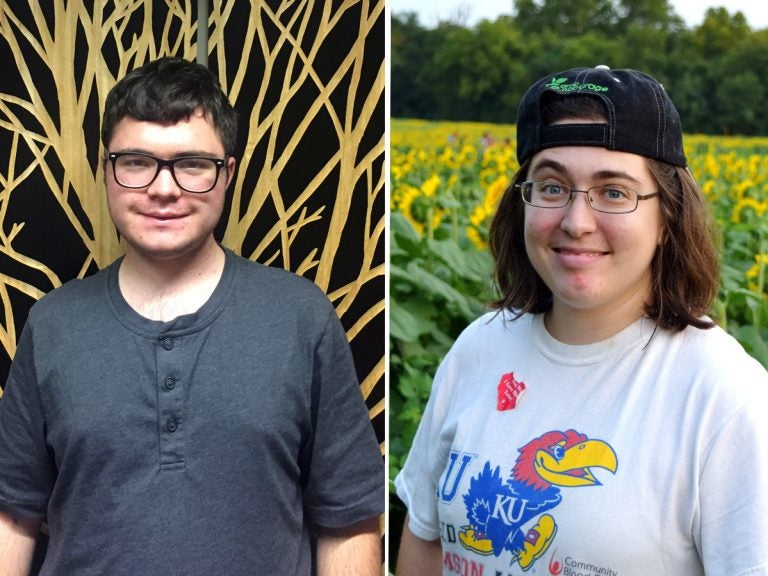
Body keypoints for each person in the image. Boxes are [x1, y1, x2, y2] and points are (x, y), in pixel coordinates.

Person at [0, 57, 384, 576]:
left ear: (226, 173)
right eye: (136, 161)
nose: (164, 188)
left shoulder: (300, 316)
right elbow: (13, 518)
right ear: (106, 169)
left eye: (192, 164)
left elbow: (349, 522)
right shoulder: (52, 324)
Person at [394, 65, 768, 575]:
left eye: (614, 192)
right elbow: (426, 536)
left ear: (668, 219)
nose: (575, 221)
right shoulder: (479, 347)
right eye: (551, 186)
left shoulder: (725, 398)